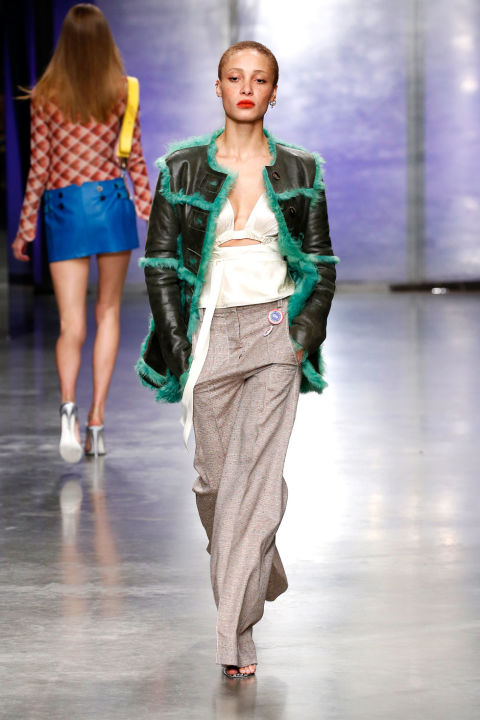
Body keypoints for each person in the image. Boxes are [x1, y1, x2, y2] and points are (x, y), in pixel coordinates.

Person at [137, 40, 338, 678]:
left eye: (259, 79)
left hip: (277, 331)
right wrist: (179, 344)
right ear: (218, 86)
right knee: (217, 485)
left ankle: (234, 636)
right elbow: (160, 263)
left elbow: (321, 263)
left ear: (274, 93)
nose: (246, 88)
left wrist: (302, 333)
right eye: (235, 77)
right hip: (208, 334)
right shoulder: (181, 168)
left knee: (254, 483)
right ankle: (261, 569)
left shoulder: (300, 169)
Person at [12, 4, 152, 462]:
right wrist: (149, 210)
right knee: (107, 313)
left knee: (70, 324)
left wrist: (25, 228)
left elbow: (39, 168)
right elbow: (134, 158)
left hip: (65, 208)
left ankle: (68, 410)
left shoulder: (46, 95)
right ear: (104, 41)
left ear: (65, 43)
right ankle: (97, 422)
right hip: (111, 205)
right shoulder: (123, 91)